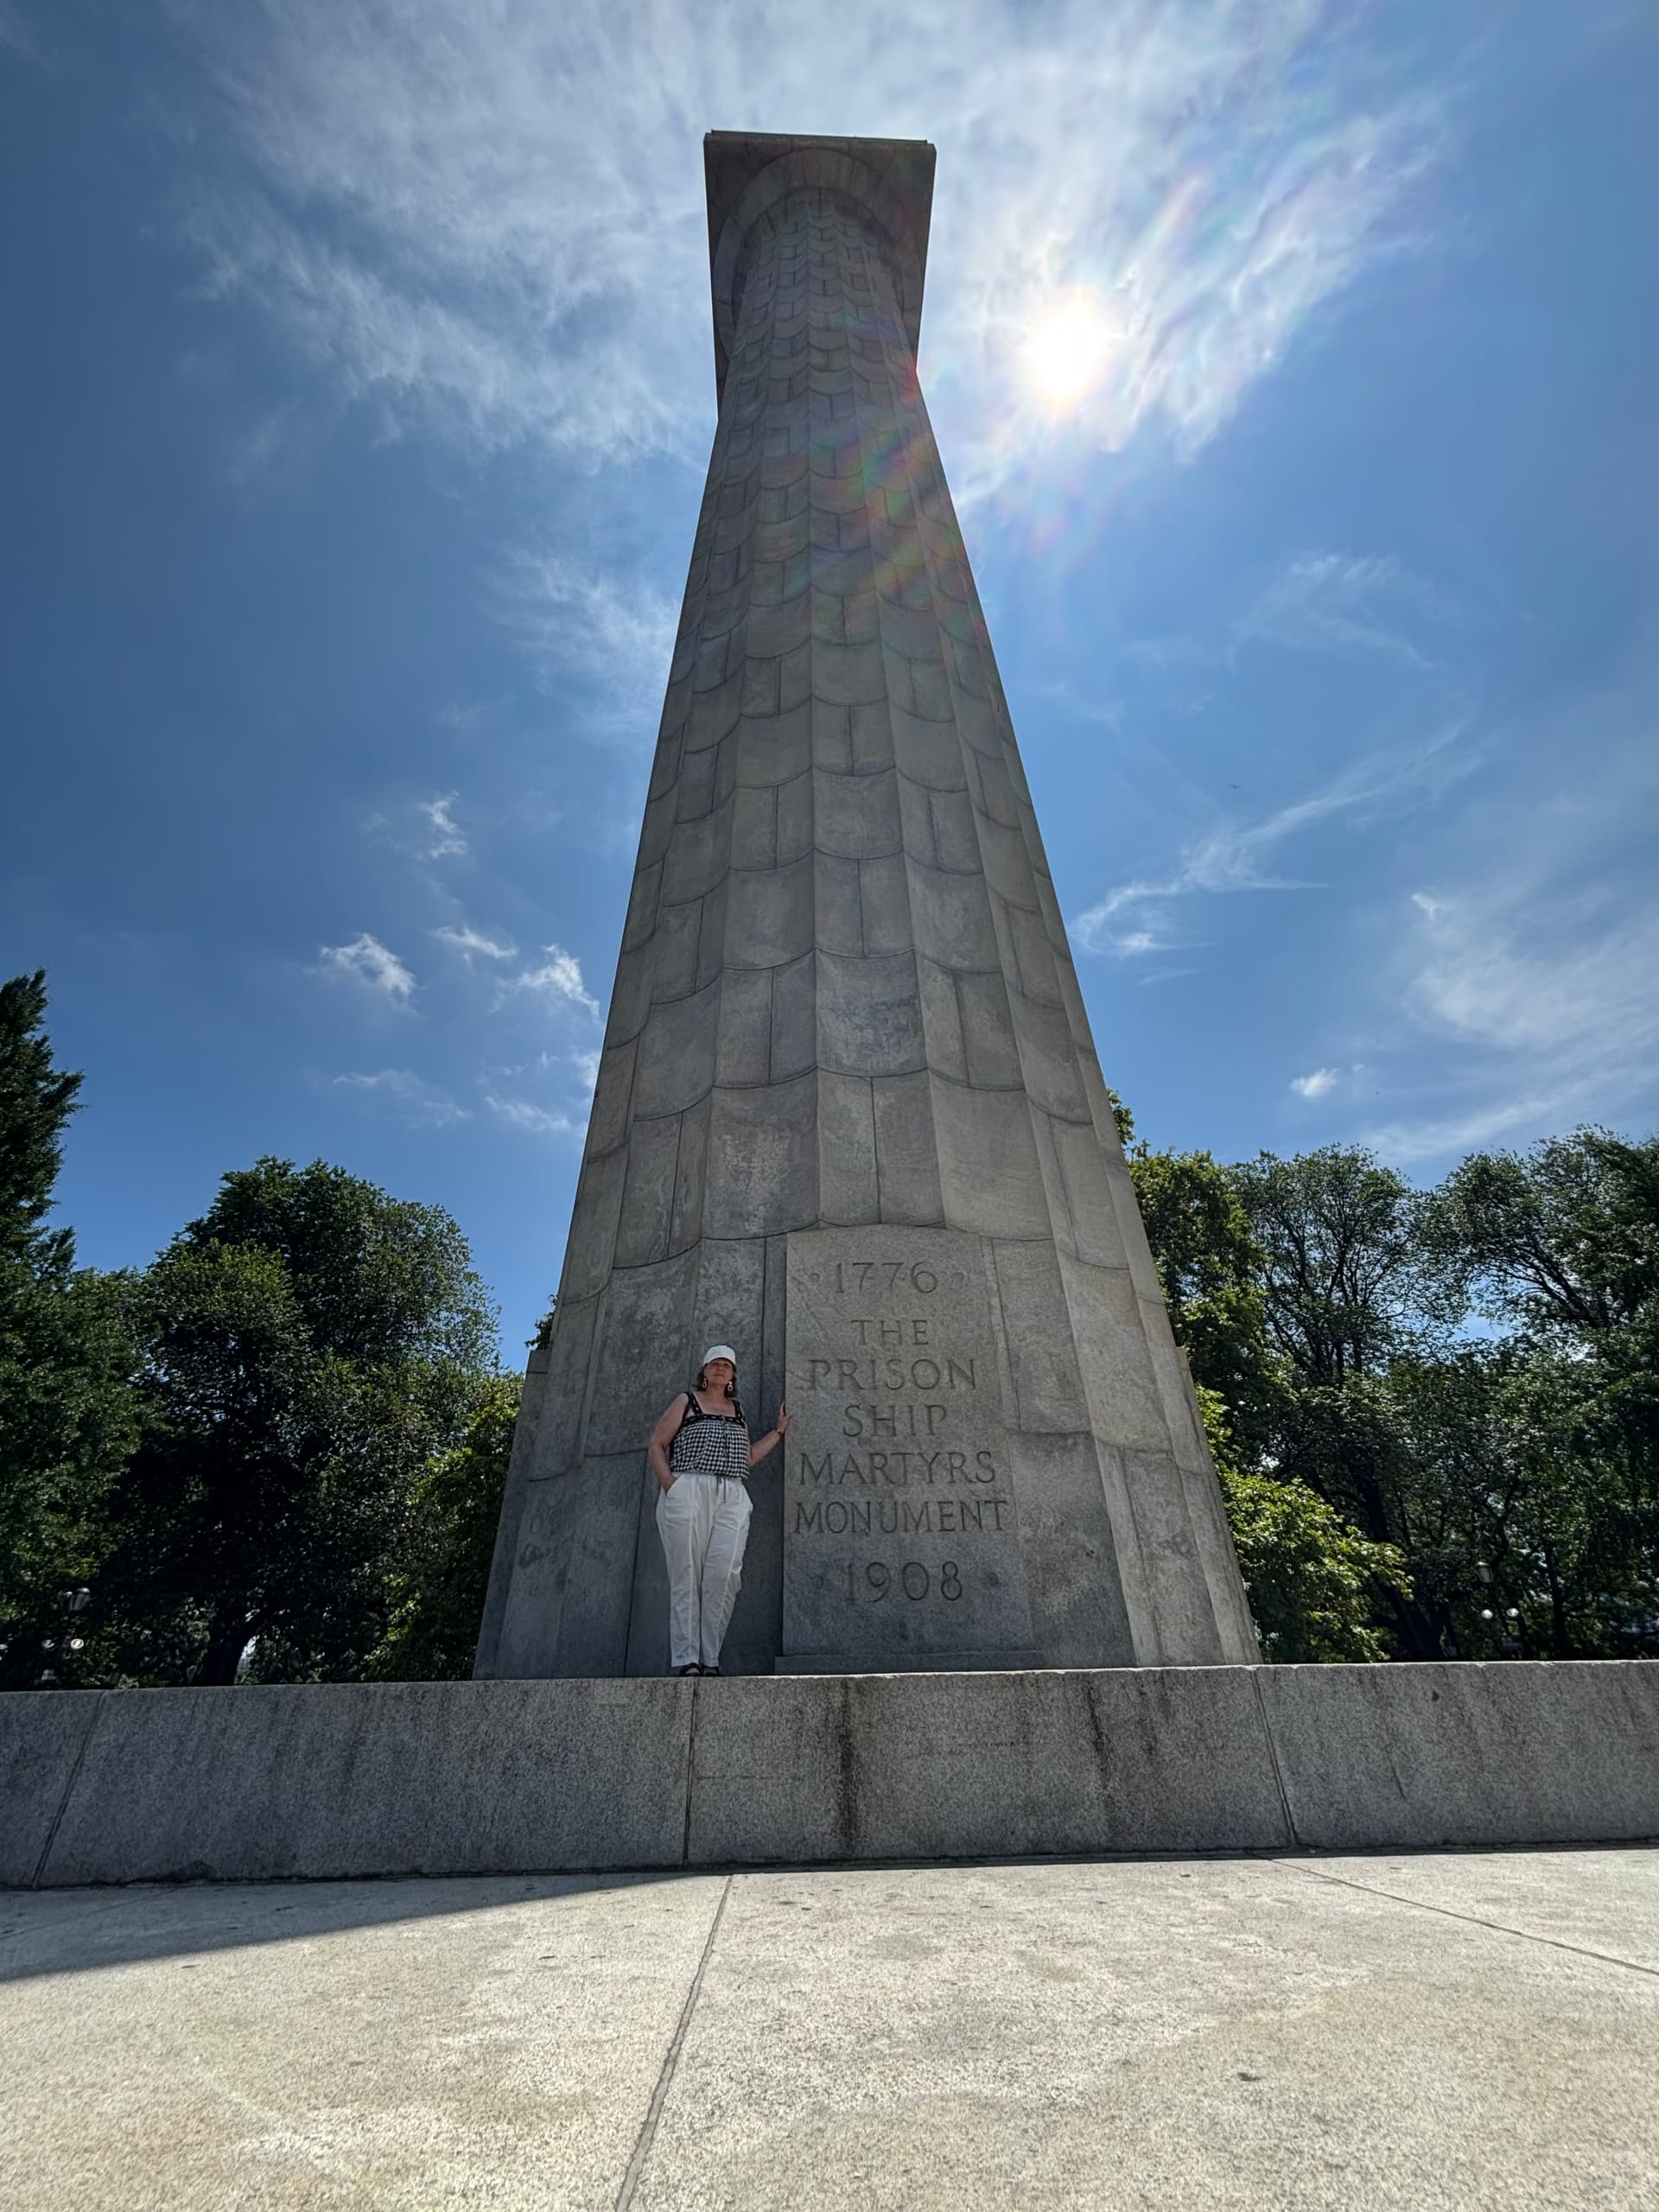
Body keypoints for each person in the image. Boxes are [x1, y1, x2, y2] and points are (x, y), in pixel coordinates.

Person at [647, 1344, 788, 1676]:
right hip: (689, 1487)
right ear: (705, 1371)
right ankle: (687, 1659)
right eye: (715, 1364)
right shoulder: (687, 1401)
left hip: (733, 1493)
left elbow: (747, 1458)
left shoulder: (737, 1410)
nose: (721, 1368)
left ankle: (710, 1658)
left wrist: (778, 1432)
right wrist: (671, 1486)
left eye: (727, 1364)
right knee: (686, 1575)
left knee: (725, 1577)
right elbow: (657, 1444)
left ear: (733, 1375)